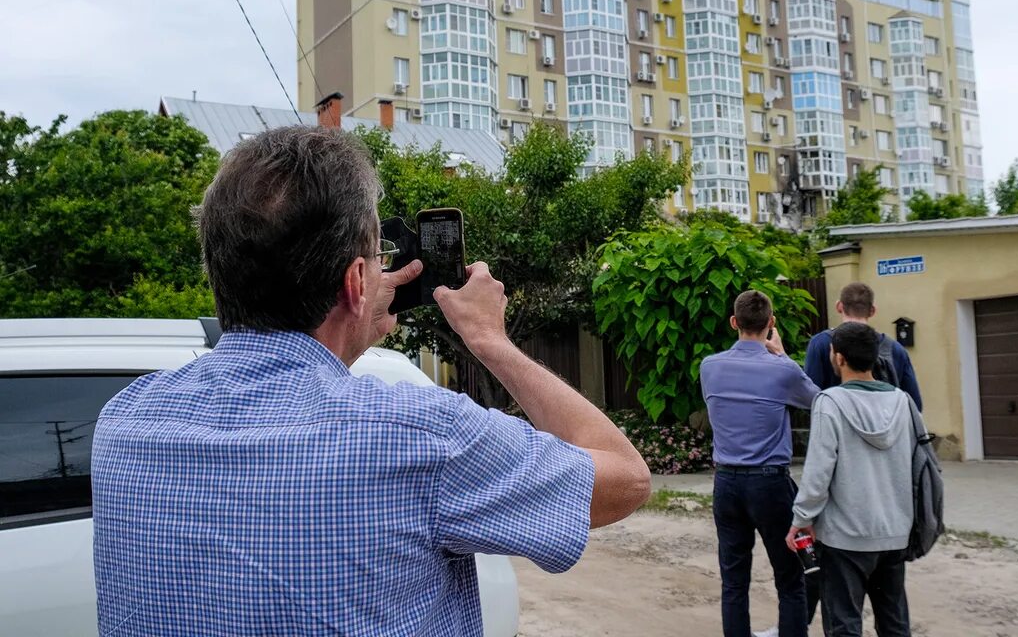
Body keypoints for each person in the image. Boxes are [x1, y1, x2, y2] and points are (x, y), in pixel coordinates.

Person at [91, 126, 651, 637]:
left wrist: (349, 325)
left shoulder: (124, 420)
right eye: (376, 258)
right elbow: (625, 479)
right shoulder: (422, 435)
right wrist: (489, 340)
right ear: (358, 280)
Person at [787, 322, 922, 637]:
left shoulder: (830, 403)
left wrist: (801, 518)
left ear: (838, 358)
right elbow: (919, 465)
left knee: (844, 625)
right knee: (895, 624)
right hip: (894, 532)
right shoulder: (903, 402)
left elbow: (818, 471)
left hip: (844, 537)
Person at [700, 290, 822, 637]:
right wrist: (782, 356)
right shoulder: (782, 369)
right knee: (790, 578)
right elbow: (820, 401)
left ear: (734, 322)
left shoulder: (709, 367)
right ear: (770, 324)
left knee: (734, 581)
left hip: (726, 483)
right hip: (770, 483)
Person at [803, 282, 922, 410]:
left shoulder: (820, 343)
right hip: (887, 427)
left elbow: (810, 399)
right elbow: (914, 404)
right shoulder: (895, 349)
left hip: (837, 425)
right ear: (872, 310)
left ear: (839, 306)